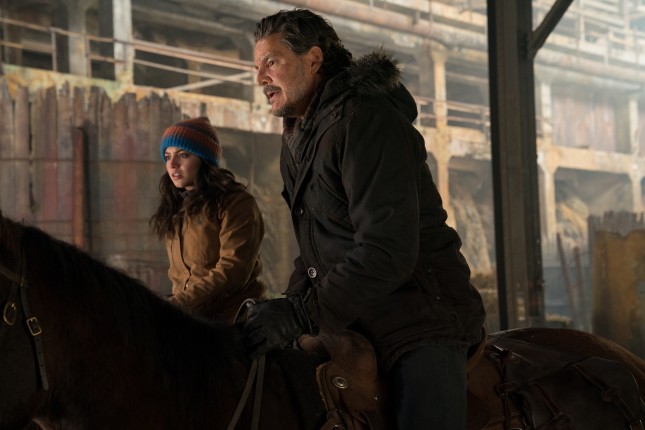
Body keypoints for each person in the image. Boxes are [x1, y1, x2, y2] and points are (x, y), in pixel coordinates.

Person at [242, 9, 486, 429]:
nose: (261, 77)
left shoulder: (366, 119)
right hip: (352, 312)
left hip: (418, 316)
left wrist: (301, 314)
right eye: (257, 67)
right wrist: (287, 306)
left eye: (272, 62)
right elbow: (316, 246)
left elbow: (387, 250)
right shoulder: (300, 136)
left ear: (313, 60)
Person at [150, 116, 266, 323]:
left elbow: (233, 270)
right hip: (190, 317)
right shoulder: (176, 206)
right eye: (167, 157)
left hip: (233, 318)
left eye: (183, 155)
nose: (172, 165)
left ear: (204, 160)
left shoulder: (236, 202)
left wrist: (178, 303)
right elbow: (181, 277)